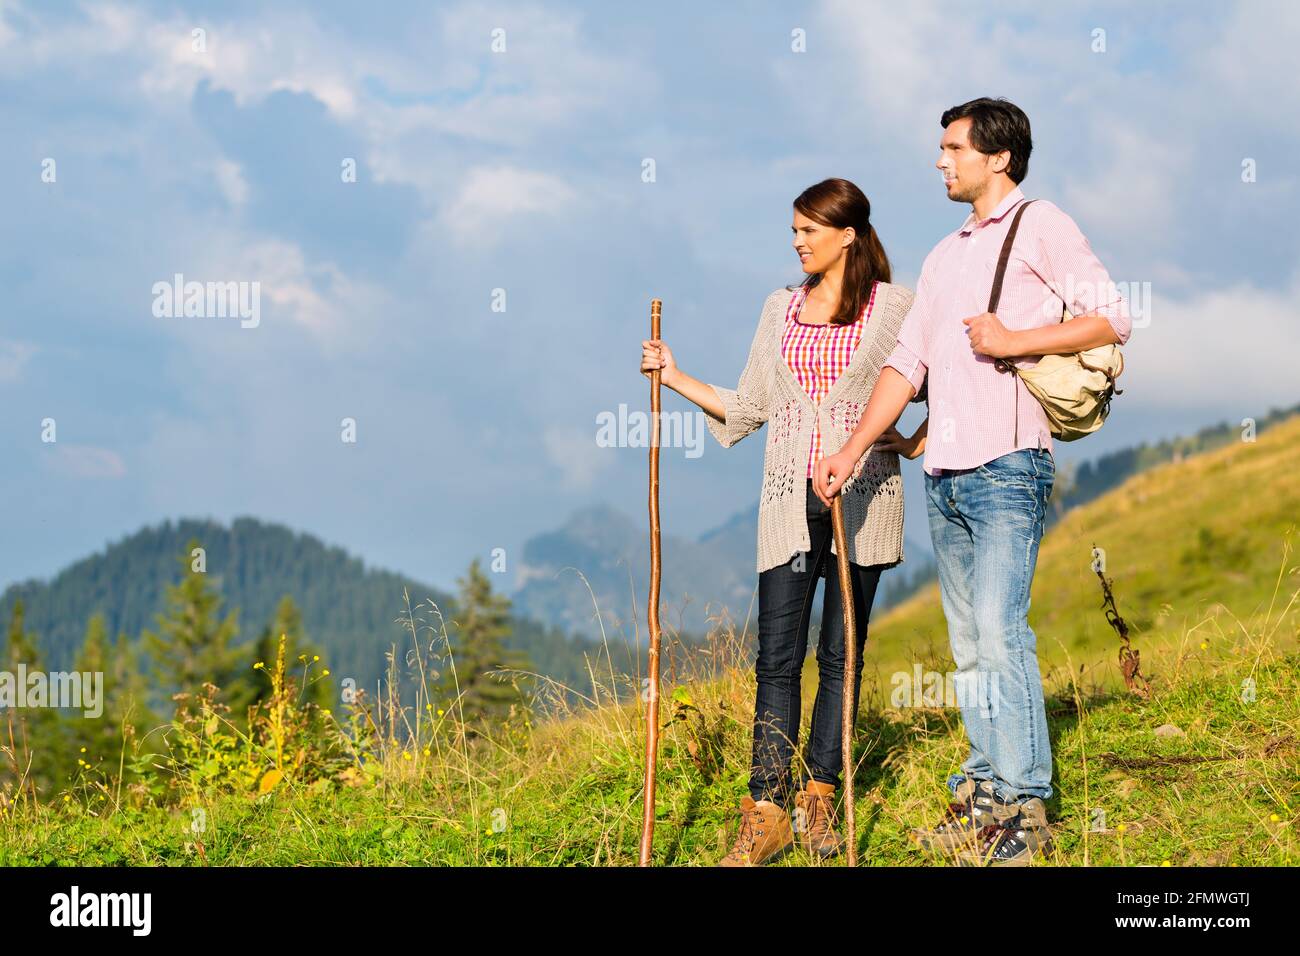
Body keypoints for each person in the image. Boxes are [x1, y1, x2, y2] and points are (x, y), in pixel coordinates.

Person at [813, 98, 1133, 866]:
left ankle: (1025, 808)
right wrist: (855, 447)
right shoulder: (942, 255)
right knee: (967, 645)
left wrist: (1018, 339)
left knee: (998, 631)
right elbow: (905, 366)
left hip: (1009, 464)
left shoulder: (1042, 224)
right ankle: (986, 793)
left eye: (953, 147)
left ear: (999, 158)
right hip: (947, 476)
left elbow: (1113, 316)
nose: (939, 159)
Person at [641, 178, 925, 865]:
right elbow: (752, 405)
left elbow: (934, 377)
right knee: (776, 657)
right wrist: (675, 377)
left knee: (840, 655)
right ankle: (766, 810)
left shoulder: (894, 308)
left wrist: (913, 442)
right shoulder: (780, 308)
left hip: (863, 499)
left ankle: (819, 797)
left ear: (848, 234)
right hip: (788, 500)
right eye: (794, 230)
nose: (796, 242)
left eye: (809, 231)